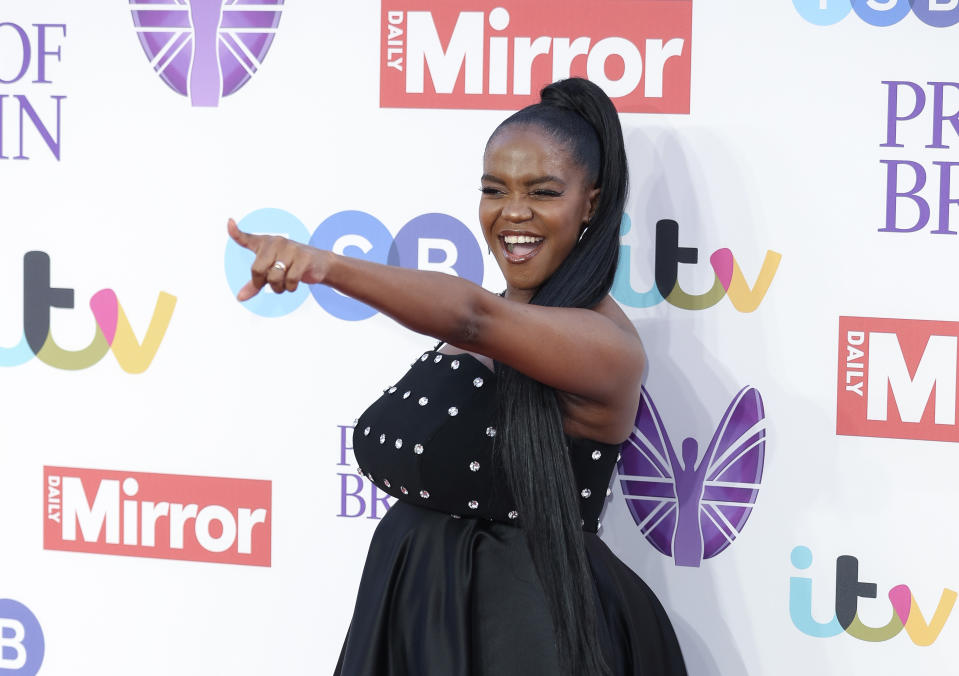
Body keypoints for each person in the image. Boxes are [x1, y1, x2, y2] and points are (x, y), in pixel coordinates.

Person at [228, 78, 687, 676]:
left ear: (591, 204)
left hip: (525, 635)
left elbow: (473, 317)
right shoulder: (503, 308)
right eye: (494, 189)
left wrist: (327, 265)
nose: (513, 212)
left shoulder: (604, 345)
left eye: (543, 192)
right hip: (419, 614)